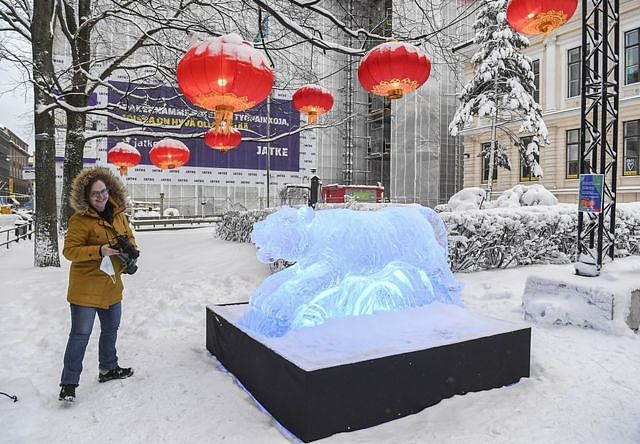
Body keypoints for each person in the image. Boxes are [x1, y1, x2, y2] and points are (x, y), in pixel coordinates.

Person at [59, 166, 138, 402]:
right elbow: (69, 251)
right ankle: (69, 384)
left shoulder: (118, 214)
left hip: (111, 283)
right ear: (86, 196)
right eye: (95, 194)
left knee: (111, 330)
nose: (101, 197)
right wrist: (99, 250)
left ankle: (108, 368)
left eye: (103, 191)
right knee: (80, 335)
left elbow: (130, 236)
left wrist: (130, 250)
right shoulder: (79, 220)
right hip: (85, 288)